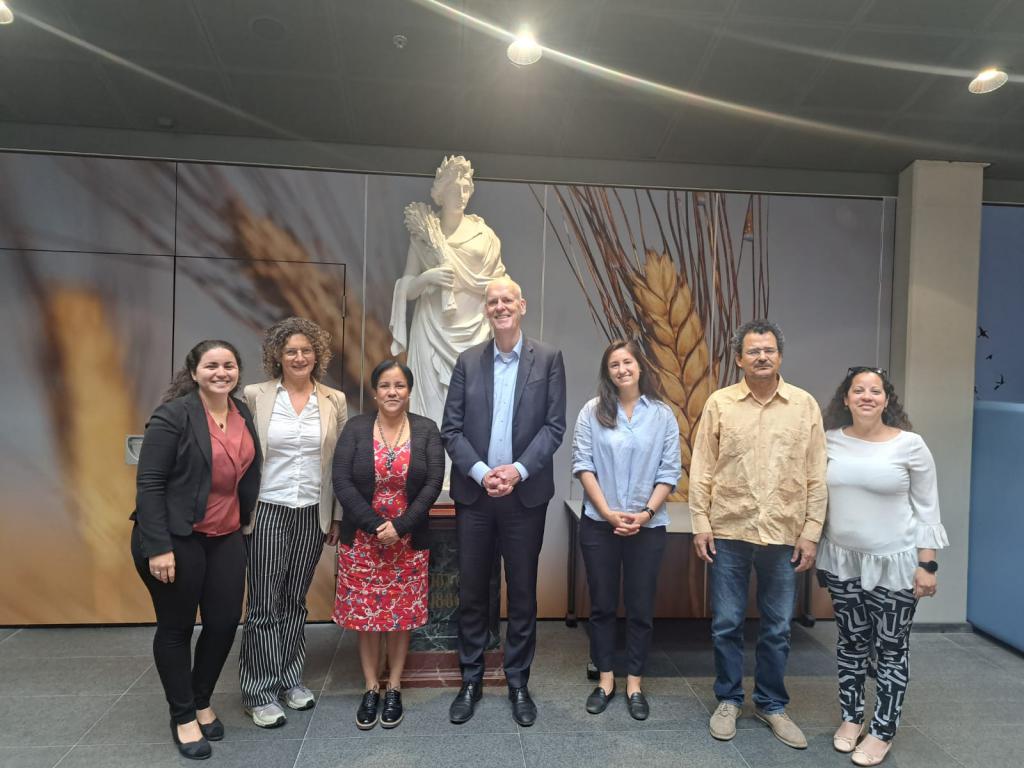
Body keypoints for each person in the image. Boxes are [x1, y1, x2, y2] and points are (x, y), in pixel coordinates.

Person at [689, 319, 826, 750]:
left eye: (768, 350)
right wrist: (700, 523)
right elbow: (702, 467)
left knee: (778, 627)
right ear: (739, 359)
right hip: (730, 529)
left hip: (785, 532)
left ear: (780, 356)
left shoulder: (804, 405)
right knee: (726, 623)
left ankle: (771, 704)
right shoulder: (720, 404)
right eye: (753, 351)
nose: (761, 357)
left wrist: (811, 531)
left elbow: (816, 474)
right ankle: (728, 699)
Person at [441, 275, 567, 727]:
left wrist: (516, 471)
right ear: (486, 310)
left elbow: (554, 427)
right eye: (492, 301)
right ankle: (470, 679)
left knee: (523, 593)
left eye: (506, 300)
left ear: (522, 305)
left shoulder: (548, 359)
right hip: (475, 496)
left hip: (524, 497)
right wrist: (481, 472)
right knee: (473, 591)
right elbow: (451, 428)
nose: (500, 307)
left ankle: (517, 682)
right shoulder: (468, 361)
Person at [130, 340, 260, 760]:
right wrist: (158, 547)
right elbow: (150, 484)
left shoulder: (242, 414)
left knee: (223, 623)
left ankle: (201, 698)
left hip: (225, 536)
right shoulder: (173, 415)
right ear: (194, 372)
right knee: (177, 628)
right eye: (211, 366)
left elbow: (247, 472)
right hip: (175, 538)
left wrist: (245, 519)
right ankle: (184, 714)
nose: (221, 372)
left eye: (229, 365)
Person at [818, 367, 947, 766]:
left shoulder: (910, 445)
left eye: (875, 391)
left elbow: (927, 508)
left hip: (896, 566)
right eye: (858, 390)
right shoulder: (828, 440)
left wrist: (928, 565)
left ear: (886, 400)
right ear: (846, 399)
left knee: (891, 649)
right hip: (843, 561)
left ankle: (882, 730)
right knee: (851, 642)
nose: (867, 396)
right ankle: (852, 717)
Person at [238, 317, 348, 728]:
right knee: (263, 602)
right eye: (291, 351)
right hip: (267, 507)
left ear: (317, 355)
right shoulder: (256, 395)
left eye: (306, 350)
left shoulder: (334, 400)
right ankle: (258, 691)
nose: (299, 357)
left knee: (294, 600)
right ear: (277, 356)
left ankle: (289, 679)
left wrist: (337, 516)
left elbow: (338, 464)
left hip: (312, 511)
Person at [571, 339, 681, 720]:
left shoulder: (662, 415)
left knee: (640, 607)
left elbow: (670, 470)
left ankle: (635, 683)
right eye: (614, 364)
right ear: (608, 372)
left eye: (627, 362)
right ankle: (606, 680)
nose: (622, 369)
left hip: (647, 527)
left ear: (640, 366)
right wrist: (608, 513)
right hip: (600, 525)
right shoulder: (592, 411)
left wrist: (646, 514)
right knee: (601, 605)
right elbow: (583, 464)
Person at [332, 360, 444, 730]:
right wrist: (376, 525)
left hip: (408, 542)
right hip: (363, 541)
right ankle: (370, 687)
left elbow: (433, 483)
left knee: (400, 618)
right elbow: (342, 480)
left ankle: (393, 686)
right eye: (385, 385)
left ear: (409, 391)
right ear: (375, 391)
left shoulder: (426, 429)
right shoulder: (356, 428)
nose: (392, 392)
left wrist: (401, 526)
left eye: (399, 386)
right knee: (367, 619)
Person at [389, 155, 506, 431]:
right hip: (431, 328)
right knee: (429, 408)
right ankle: (431, 459)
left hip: (474, 331)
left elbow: (500, 283)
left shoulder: (484, 236)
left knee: (471, 408)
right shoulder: (424, 235)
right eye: (454, 189)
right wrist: (426, 278)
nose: (461, 196)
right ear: (441, 193)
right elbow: (407, 288)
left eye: (465, 189)